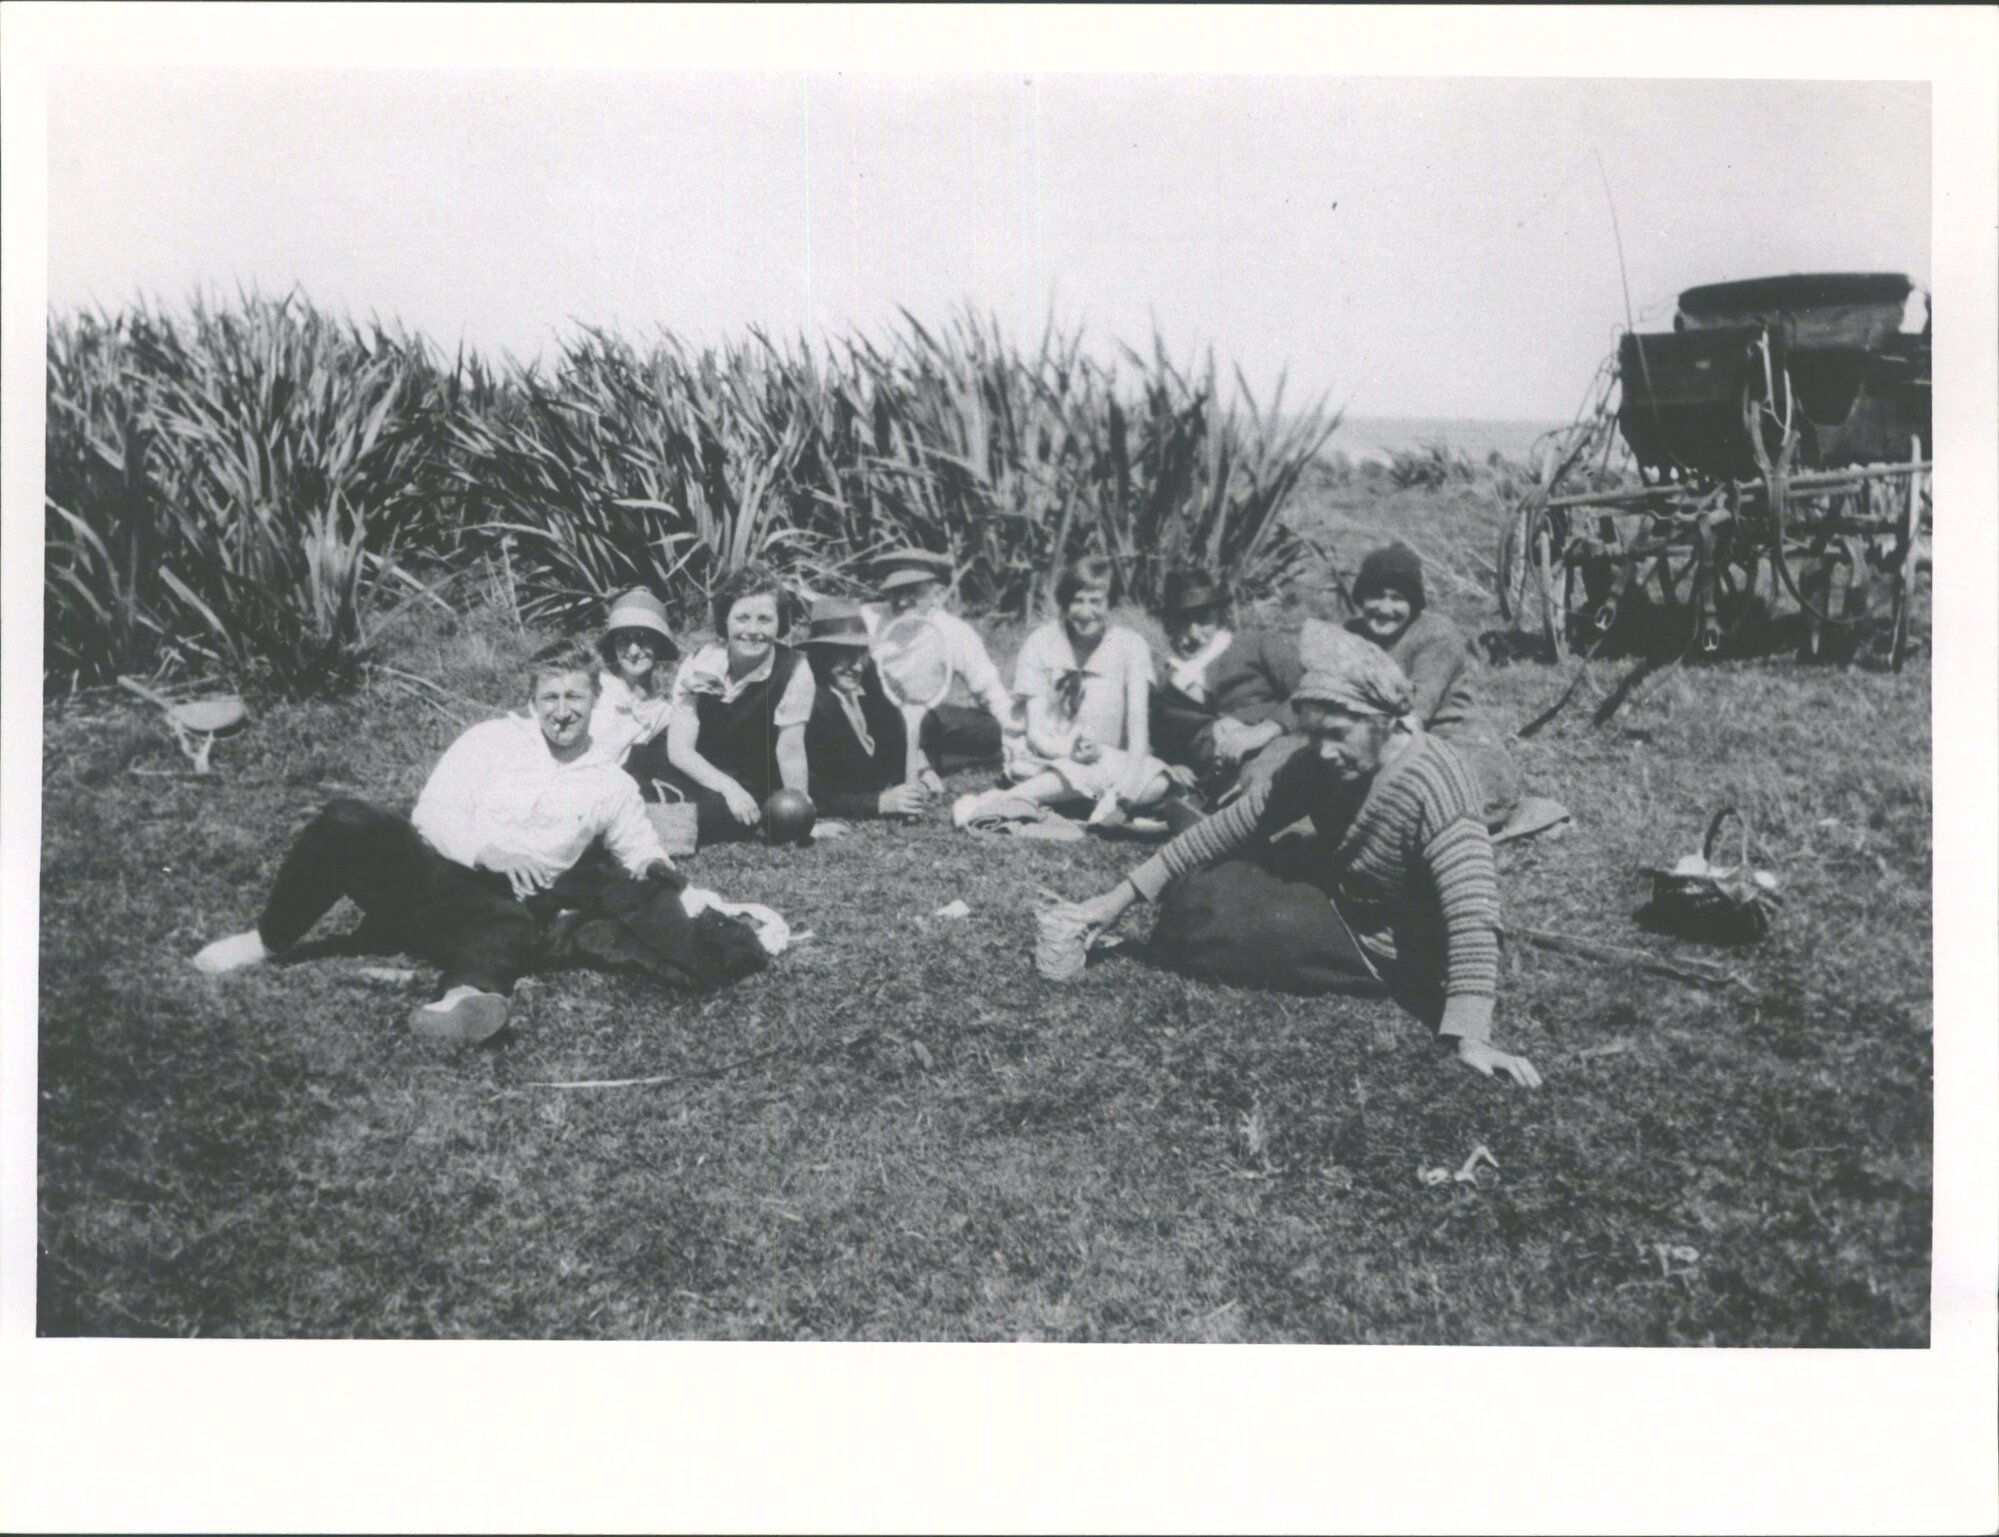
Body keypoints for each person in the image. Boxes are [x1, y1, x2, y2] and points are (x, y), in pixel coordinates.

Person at [189, 641, 767, 1044]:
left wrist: (670, 883)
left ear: (595, 701)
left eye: (574, 698)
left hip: (506, 906)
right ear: (532, 701)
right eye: (550, 699)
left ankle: (462, 1002)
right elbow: (431, 812)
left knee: (516, 930)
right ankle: (267, 939)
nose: (562, 712)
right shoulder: (490, 739)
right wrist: (488, 851)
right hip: (434, 875)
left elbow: (639, 848)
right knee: (348, 819)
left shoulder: (609, 782)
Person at [1049, 626, 1542, 1089]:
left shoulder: (1437, 781)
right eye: (1315, 736)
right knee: (1206, 877)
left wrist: (1470, 1035)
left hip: (1386, 943)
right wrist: (1114, 901)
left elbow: (1473, 913)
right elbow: (1230, 825)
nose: (1324, 752)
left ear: (1382, 722)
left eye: (1337, 734)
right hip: (1343, 895)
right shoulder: (1323, 763)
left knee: (1202, 915)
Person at [954, 554, 1175, 829]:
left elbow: (1139, 736)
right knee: (1082, 770)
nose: (1085, 612)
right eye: (1077, 601)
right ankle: (997, 800)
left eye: (1095, 602)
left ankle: (1093, 800)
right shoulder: (1041, 643)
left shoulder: (1132, 646)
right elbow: (1035, 737)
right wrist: (1071, 753)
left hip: (1109, 762)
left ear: (1111, 604)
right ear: (1064, 603)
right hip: (1047, 761)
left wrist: (1123, 795)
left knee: (1160, 781)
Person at [1344, 542, 1522, 830]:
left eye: (1397, 598)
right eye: (1375, 595)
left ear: (1413, 604)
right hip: (1385, 745)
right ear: (1361, 597)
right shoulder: (1351, 634)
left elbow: (1412, 718)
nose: (1385, 609)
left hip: (1456, 747)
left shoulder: (1437, 634)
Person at [656, 562, 816, 842]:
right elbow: (680, 750)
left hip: (748, 784)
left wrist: (801, 818)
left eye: (764, 619)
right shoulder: (700, 662)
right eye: (742, 618)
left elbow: (790, 752)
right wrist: (727, 788)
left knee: (702, 816)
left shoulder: (794, 670)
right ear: (725, 620)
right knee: (636, 786)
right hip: (693, 769)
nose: (752, 630)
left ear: (780, 624)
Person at [1149, 568, 1306, 804]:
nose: (1194, 634)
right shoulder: (1164, 685)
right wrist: (1174, 765)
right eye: (1182, 621)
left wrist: (1265, 729)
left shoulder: (1255, 644)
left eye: (1203, 620)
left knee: (1268, 775)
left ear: (1219, 617)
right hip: (1217, 778)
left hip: (1275, 749)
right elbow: (1162, 742)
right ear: (1167, 625)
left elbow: (1311, 692)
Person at [862, 548, 1016, 775]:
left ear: (937, 594)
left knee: (992, 731)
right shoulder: (866, 618)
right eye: (895, 592)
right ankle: (915, 762)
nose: (903, 601)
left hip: (925, 720)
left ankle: (915, 760)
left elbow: (989, 690)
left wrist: (1016, 738)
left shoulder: (955, 632)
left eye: (913, 591)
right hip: (873, 719)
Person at [800, 597, 941, 820]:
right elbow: (808, 794)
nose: (856, 665)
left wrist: (922, 771)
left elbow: (893, 729)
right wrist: (878, 803)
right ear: (819, 653)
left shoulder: (866, 673)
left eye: (861, 652)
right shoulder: (807, 703)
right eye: (843, 653)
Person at [589, 586, 679, 788]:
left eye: (643, 638)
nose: (634, 650)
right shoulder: (598, 690)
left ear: (659, 644)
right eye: (623, 640)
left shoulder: (663, 710)